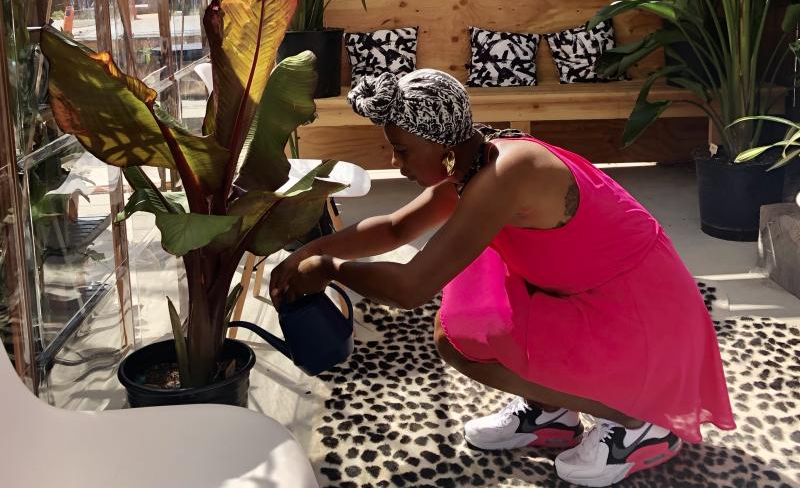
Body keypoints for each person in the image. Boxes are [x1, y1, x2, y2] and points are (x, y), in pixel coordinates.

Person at [269, 69, 735, 487]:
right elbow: (394, 228)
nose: (396, 163)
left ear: (443, 148)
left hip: (640, 310)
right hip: (578, 290)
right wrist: (309, 251)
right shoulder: (475, 161)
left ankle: (641, 424)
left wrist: (329, 270)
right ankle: (551, 414)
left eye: (402, 150)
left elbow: (413, 287)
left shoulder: (510, 171)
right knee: (463, 324)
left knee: (457, 324)